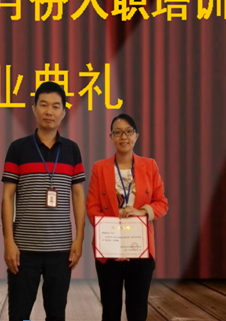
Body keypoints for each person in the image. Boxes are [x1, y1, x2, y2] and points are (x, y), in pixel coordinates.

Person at [2, 81, 86, 321]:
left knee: (56, 313)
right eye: (44, 105)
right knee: (19, 314)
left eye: (56, 106)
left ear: (64, 112)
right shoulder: (18, 148)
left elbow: (78, 195)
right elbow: (7, 197)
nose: (49, 111)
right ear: (34, 109)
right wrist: (8, 241)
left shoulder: (72, 150)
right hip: (23, 249)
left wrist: (79, 238)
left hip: (61, 249)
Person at [86, 113, 169, 321]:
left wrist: (143, 211)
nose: (123, 137)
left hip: (140, 249)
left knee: (137, 311)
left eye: (128, 131)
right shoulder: (99, 168)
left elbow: (162, 203)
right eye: (117, 132)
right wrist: (114, 241)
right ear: (111, 137)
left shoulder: (150, 165)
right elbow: (92, 207)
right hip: (108, 250)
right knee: (110, 311)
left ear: (136, 135)